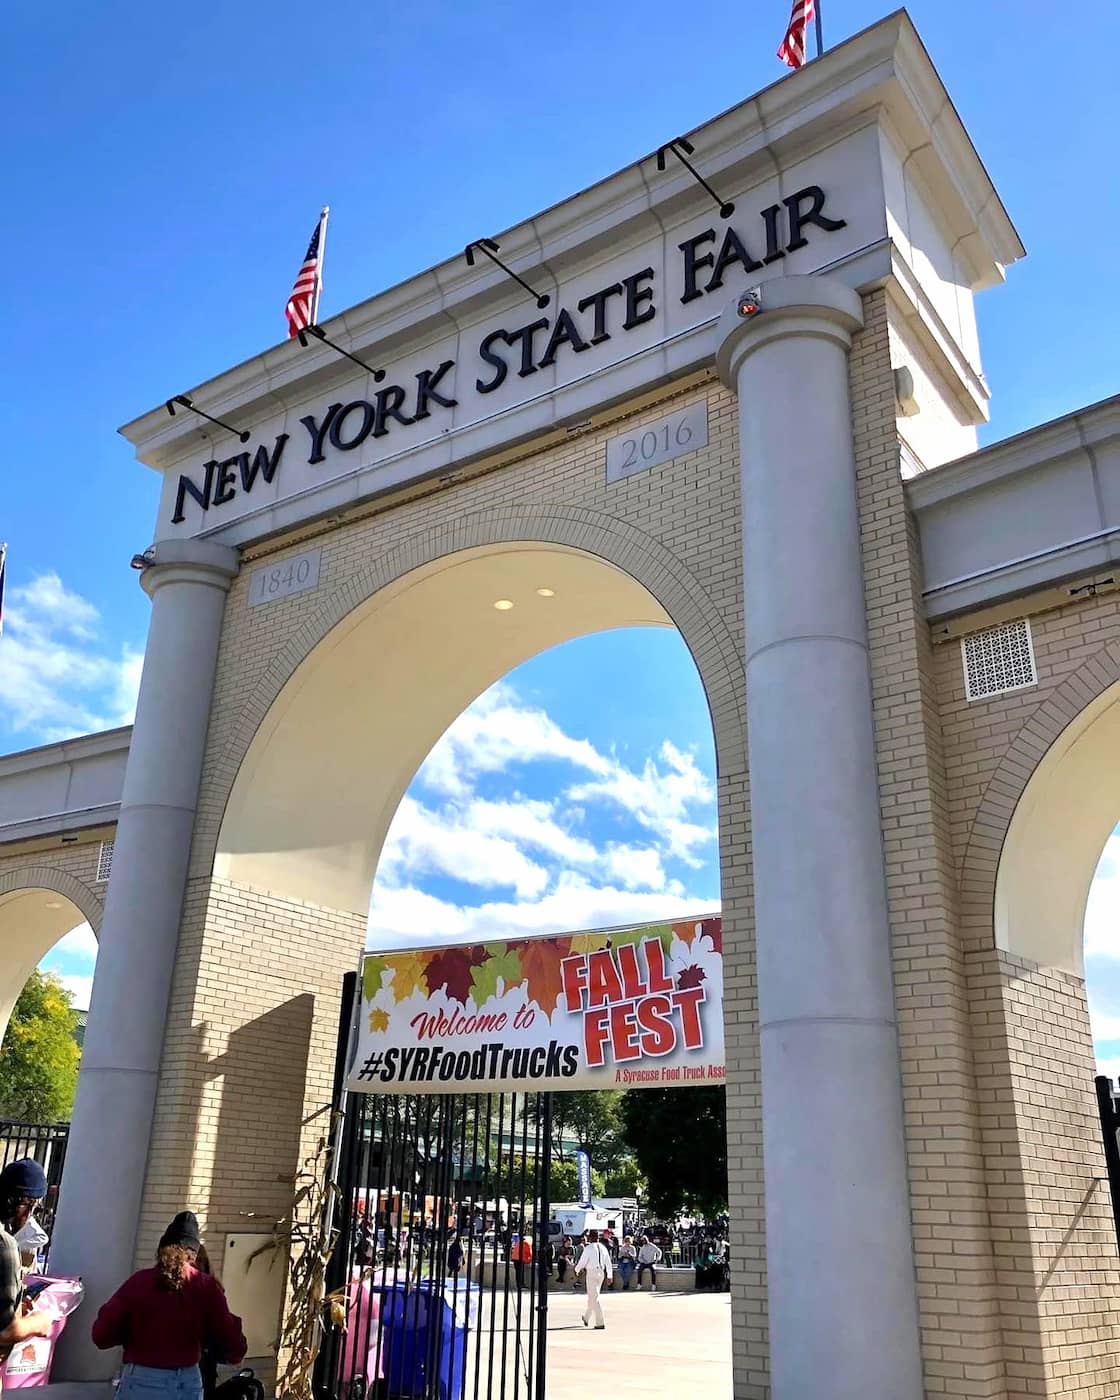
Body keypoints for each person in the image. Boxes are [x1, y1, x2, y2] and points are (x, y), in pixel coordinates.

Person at [92, 1211, 246, 1400]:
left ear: (161, 1250)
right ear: (195, 1254)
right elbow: (230, 1340)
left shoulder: (139, 1282)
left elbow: (101, 1334)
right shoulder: (206, 1286)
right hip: (187, 1380)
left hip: (142, 1378)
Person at [0, 1160, 53, 1378]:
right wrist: (40, 1322)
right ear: (25, 1205)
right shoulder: (4, 1245)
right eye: (36, 1208)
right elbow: (6, 1331)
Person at [574, 1229, 612, 1330]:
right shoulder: (603, 1247)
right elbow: (608, 1262)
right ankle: (586, 1317)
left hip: (592, 1273)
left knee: (594, 1298)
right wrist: (609, 1275)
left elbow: (582, 1261)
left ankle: (600, 1322)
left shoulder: (589, 1248)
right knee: (593, 1296)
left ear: (590, 1238)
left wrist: (577, 1269)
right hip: (601, 1273)